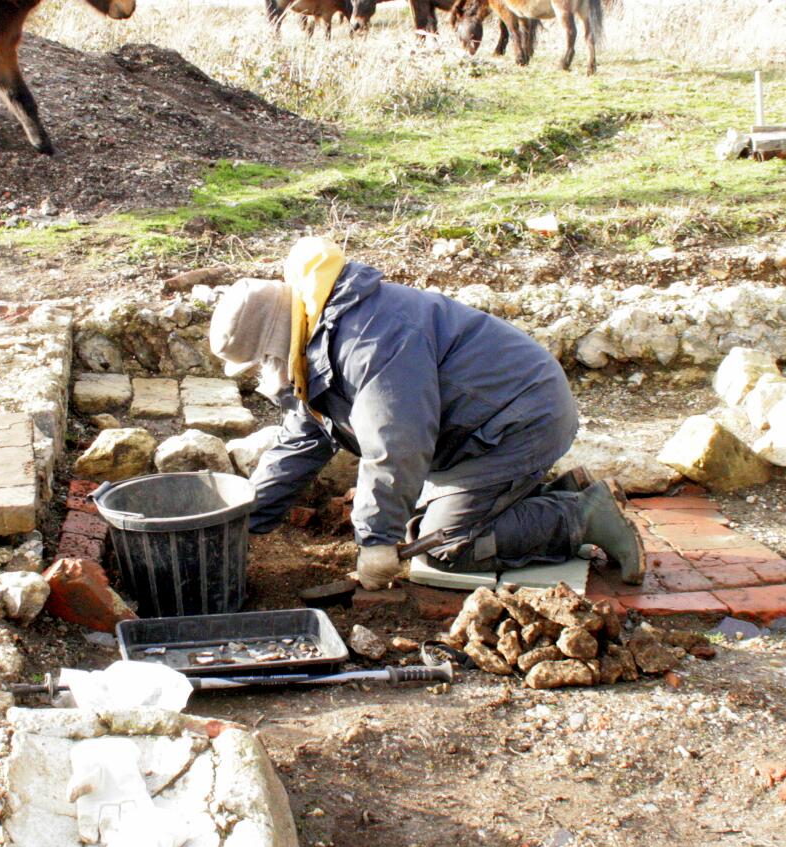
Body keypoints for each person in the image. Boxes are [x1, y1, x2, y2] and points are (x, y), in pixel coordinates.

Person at [207, 235, 641, 590]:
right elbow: (305, 437)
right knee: (420, 522)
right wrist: (246, 519)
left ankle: (583, 516)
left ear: (274, 340)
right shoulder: (318, 334)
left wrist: (376, 539)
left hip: (519, 421)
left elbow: (398, 441)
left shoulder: (366, 341)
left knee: (447, 547)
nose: (263, 373)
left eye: (259, 362)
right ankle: (539, 494)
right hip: (483, 424)